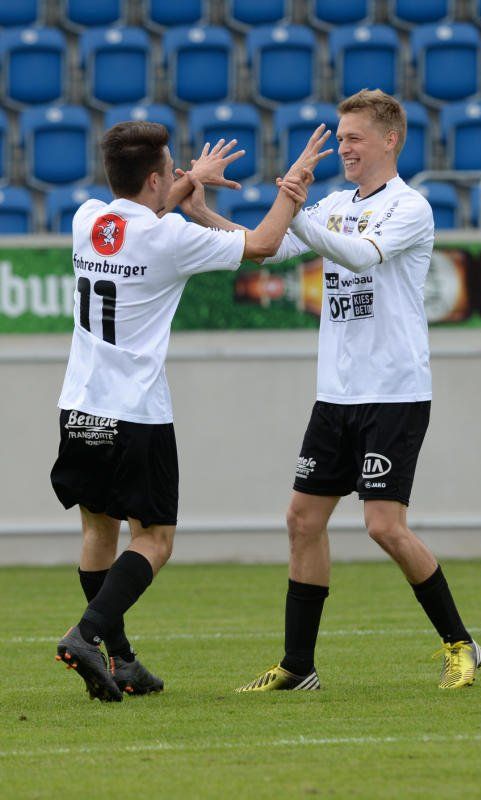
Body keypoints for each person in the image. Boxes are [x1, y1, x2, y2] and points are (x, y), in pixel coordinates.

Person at [178, 89, 481, 693]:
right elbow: (267, 248)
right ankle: (298, 667)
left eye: (354, 138)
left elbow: (362, 257)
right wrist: (203, 214)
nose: (343, 148)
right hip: (336, 395)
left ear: (389, 140)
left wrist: (296, 210)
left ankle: (461, 644)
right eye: (340, 138)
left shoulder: (410, 207)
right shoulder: (335, 203)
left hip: (393, 392)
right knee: (302, 519)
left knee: (384, 526)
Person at [50, 119, 332, 702]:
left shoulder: (86, 220)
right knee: (154, 539)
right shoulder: (171, 238)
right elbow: (264, 245)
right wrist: (293, 186)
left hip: (78, 407)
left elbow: (143, 213)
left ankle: (121, 661)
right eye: (171, 170)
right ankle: (87, 635)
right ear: (157, 179)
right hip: (136, 415)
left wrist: (189, 180)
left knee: (98, 530)